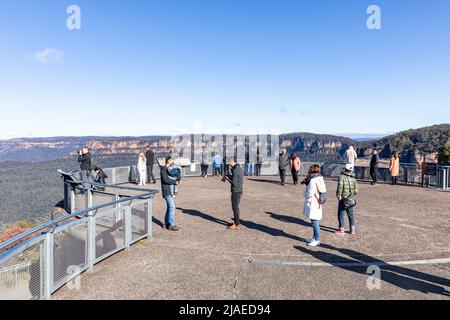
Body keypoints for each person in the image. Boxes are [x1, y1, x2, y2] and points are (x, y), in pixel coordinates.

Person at [303, 164, 326, 247]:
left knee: (314, 222)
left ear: (312, 170)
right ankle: (314, 238)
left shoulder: (312, 180)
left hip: (313, 203)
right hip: (317, 203)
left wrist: (304, 192)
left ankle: (317, 239)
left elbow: (309, 194)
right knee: (314, 221)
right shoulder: (319, 179)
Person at [336, 164, 358, 236]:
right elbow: (356, 190)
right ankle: (352, 230)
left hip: (343, 198)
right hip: (350, 198)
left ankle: (341, 229)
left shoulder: (341, 177)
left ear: (345, 169)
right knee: (351, 214)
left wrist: (339, 195)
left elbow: (340, 187)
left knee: (341, 213)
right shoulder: (353, 178)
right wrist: (352, 195)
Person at [222, 158, 244, 230]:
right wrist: (229, 175)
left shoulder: (235, 170)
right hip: (239, 190)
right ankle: (236, 222)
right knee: (235, 207)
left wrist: (227, 178)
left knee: (235, 208)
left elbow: (234, 183)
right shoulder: (239, 168)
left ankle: (236, 224)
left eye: (229, 164)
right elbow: (236, 178)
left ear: (231, 163)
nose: (229, 165)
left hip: (236, 191)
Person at [160, 157, 180, 231]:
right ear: (168, 161)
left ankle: (166, 223)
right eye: (172, 160)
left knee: (169, 207)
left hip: (168, 191)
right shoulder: (163, 169)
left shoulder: (166, 169)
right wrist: (175, 181)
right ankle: (172, 224)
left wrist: (176, 179)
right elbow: (166, 180)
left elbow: (169, 178)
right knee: (172, 207)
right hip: (166, 191)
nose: (173, 162)